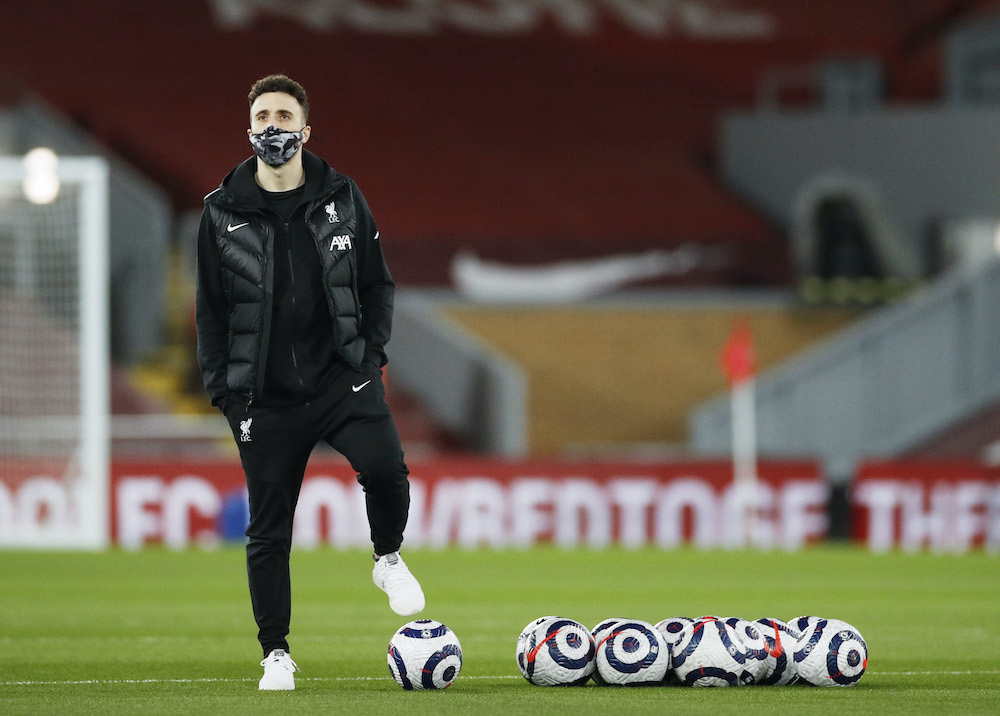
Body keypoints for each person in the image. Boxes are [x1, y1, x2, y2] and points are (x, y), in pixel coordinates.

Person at [195, 74, 424, 691]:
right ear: (250, 128)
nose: (273, 125)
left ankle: (387, 557)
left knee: (386, 468)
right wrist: (226, 393)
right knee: (269, 530)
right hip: (263, 398)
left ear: (304, 129)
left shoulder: (344, 198)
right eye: (263, 115)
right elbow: (211, 312)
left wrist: (368, 358)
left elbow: (377, 284)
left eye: (284, 115)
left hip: (339, 380)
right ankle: (276, 653)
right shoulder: (220, 213)